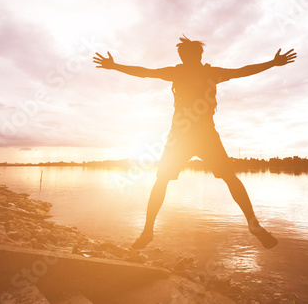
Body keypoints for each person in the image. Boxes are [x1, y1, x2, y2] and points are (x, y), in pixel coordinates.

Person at [93, 36, 297, 249]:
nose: (183, 59)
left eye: (185, 56)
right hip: (183, 136)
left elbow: (242, 71)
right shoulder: (184, 72)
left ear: (198, 56)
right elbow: (145, 72)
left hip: (201, 135)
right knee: (165, 180)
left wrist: (272, 63)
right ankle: (147, 231)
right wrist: (115, 66)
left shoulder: (204, 72)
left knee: (224, 178)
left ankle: (253, 226)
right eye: (181, 56)